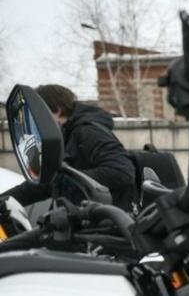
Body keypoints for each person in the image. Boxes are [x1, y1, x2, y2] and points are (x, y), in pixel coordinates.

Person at [1, 84, 136, 211]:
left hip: (104, 220)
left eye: (39, 117)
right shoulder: (65, 137)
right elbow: (43, 185)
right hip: (80, 218)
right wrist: (3, 201)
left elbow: (122, 172)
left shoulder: (88, 132)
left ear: (57, 111)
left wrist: (68, 179)